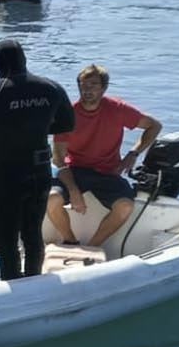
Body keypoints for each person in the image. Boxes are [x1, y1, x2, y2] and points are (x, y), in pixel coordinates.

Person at [0, 40, 75, 280]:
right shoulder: (52, 88)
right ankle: (34, 280)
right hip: (40, 172)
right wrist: (36, 127)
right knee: (33, 233)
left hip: (7, 173)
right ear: (24, 59)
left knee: (6, 237)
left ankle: (12, 283)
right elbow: (67, 124)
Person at [47, 65, 163, 247]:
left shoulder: (117, 109)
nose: (88, 90)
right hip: (74, 170)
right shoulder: (68, 114)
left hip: (107, 172)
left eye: (93, 85)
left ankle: (92, 246)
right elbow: (59, 159)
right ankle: (70, 241)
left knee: (125, 206)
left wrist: (133, 154)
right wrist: (73, 191)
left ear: (104, 88)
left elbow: (154, 126)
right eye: (83, 85)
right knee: (51, 199)